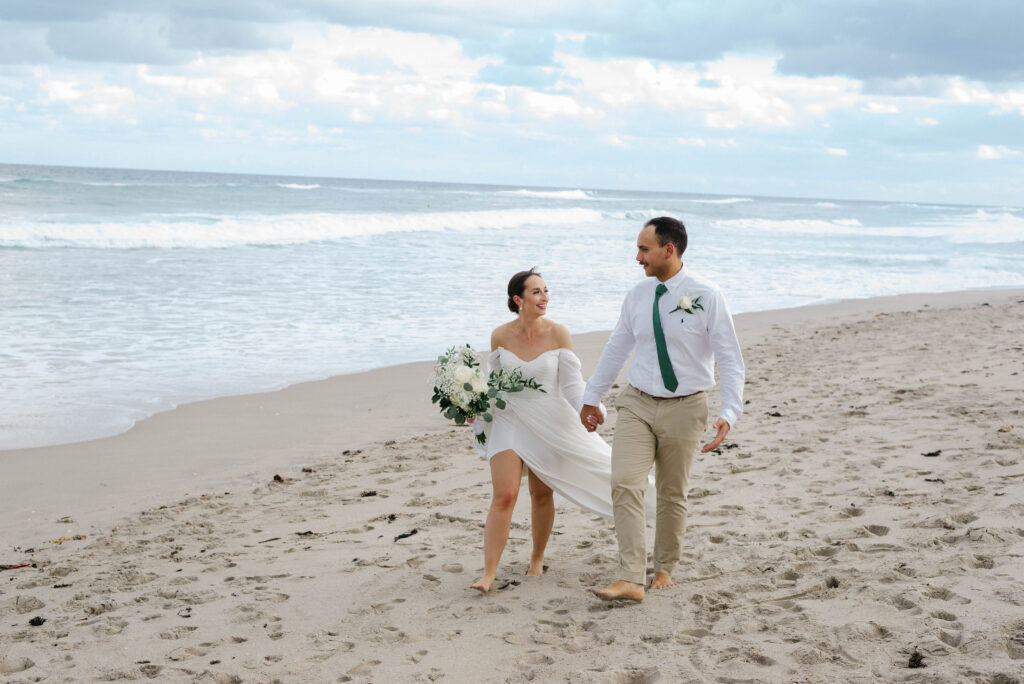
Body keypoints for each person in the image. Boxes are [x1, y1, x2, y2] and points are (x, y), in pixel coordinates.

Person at [580, 216, 745, 602]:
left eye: (643, 249)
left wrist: (730, 412)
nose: (637, 256)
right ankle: (631, 578)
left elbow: (730, 357)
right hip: (637, 402)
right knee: (624, 481)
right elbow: (617, 347)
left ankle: (665, 567)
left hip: (686, 406)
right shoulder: (636, 296)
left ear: (668, 250)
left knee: (672, 492)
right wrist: (592, 397)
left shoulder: (708, 295)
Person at [469, 268, 656, 592]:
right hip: (509, 418)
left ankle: (537, 558)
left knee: (541, 494)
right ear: (518, 299)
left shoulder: (558, 334)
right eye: (537, 292)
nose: (545, 297)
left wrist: (592, 407)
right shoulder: (500, 336)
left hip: (549, 420)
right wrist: (474, 408)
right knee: (505, 495)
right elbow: (493, 384)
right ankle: (488, 574)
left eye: (546, 290)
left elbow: (570, 385)